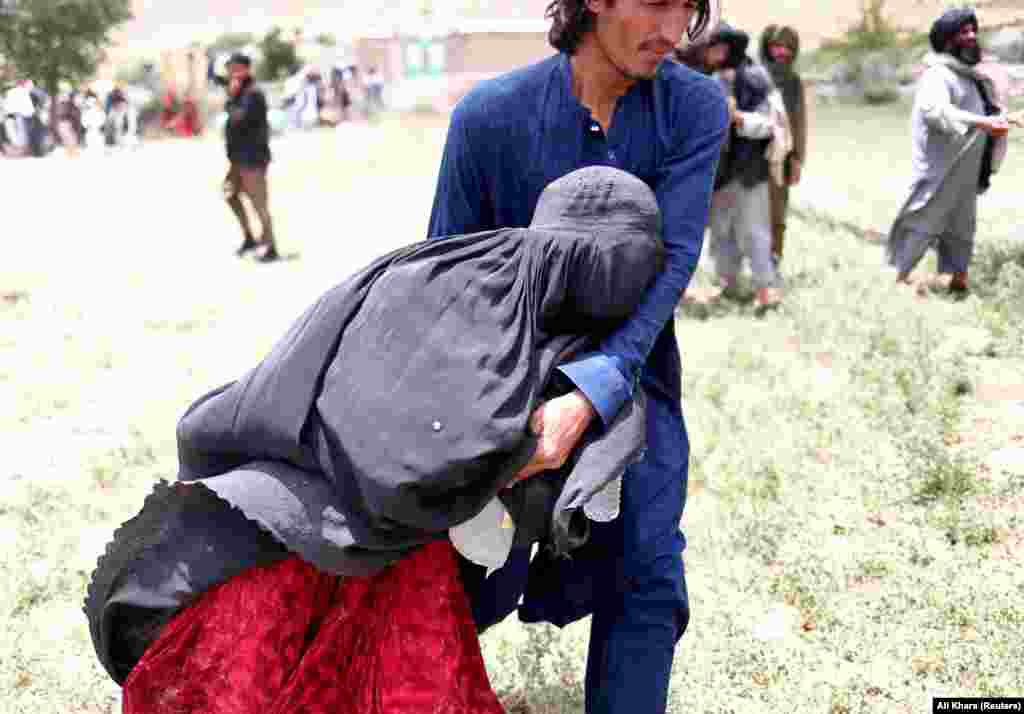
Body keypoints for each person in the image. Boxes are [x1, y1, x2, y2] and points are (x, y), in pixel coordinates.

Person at [86, 166, 665, 714]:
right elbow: (411, 464)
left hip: (312, 526)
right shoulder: (511, 324)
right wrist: (512, 459)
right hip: (309, 539)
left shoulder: (449, 268)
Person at [427, 1, 728, 712]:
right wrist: (499, 419)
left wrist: (590, 394)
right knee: (458, 574)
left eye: (690, 7)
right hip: (500, 381)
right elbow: (447, 278)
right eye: (658, 2)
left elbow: (673, 263)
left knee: (647, 569)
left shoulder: (692, 108)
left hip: (632, 369)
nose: (676, 26)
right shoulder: (489, 117)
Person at [887, 7, 1009, 295]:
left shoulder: (968, 77)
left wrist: (1002, 118)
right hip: (941, 171)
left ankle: (955, 280)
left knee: (962, 229)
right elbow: (935, 111)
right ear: (947, 40)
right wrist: (983, 122)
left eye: (973, 30)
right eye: (964, 32)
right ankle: (898, 279)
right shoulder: (938, 75)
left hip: (966, 172)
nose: (972, 36)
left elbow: (980, 112)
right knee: (923, 222)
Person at [702, 23, 790, 309]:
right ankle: (728, 284)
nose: (710, 52)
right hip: (719, 171)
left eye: (715, 46)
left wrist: (738, 118)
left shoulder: (754, 78)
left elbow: (770, 124)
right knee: (721, 230)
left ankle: (766, 290)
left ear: (728, 48)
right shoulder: (710, 79)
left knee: (754, 232)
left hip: (748, 170)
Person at [223, 52, 279, 262]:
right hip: (237, 159)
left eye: (235, 67)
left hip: (252, 158)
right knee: (230, 194)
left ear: (245, 69)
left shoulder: (253, 93)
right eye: (229, 68)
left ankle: (270, 246)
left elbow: (239, 118)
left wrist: (232, 97)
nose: (231, 72)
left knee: (259, 203)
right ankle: (250, 238)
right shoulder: (240, 92)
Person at [760, 24, 807, 265]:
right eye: (777, 46)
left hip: (783, 157)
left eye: (789, 47)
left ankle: (774, 261)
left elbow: (799, 122)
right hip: (753, 156)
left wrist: (798, 158)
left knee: (778, 213)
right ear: (768, 47)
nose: (782, 52)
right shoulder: (756, 75)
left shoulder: (794, 81)